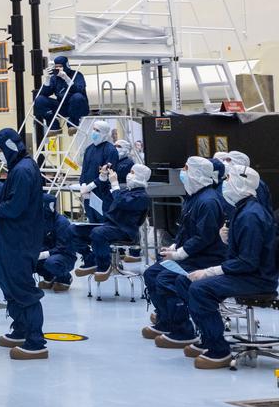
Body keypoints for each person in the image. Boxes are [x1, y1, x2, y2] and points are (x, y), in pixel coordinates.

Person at [175, 168, 279, 369]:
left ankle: (219, 351)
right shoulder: (243, 210)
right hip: (247, 273)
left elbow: (248, 261)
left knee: (199, 289)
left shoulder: (251, 215)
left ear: (241, 184)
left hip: (257, 278)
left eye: (228, 179)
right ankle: (208, 336)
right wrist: (227, 240)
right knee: (184, 280)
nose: (224, 183)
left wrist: (210, 271)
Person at [0, 127, 48, 360]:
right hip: (11, 237)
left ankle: (36, 341)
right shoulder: (18, 168)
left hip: (21, 239)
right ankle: (21, 328)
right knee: (9, 284)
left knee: (22, 288)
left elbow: (15, 208)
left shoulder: (24, 170)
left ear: (9, 147)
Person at [142, 157, 228, 348]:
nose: (183, 173)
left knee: (165, 280)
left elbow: (203, 237)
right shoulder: (193, 197)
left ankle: (183, 330)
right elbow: (185, 230)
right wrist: (174, 247)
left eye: (186, 169)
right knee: (151, 273)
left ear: (197, 173)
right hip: (192, 254)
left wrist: (180, 254)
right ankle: (166, 320)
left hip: (206, 257)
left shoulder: (209, 201)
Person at [71, 121, 119, 275]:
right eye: (93, 129)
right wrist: (83, 187)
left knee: (101, 230)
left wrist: (92, 186)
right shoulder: (89, 149)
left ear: (104, 132)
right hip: (89, 196)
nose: (94, 132)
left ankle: (104, 264)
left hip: (103, 196)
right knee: (89, 227)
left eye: (97, 130)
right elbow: (84, 171)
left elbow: (107, 174)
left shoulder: (110, 150)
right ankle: (91, 259)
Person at [91, 163, 151, 283]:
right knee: (75, 230)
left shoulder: (142, 197)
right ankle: (89, 261)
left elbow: (122, 203)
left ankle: (104, 266)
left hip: (125, 231)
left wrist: (115, 184)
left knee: (98, 233)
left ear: (140, 176)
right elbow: (109, 197)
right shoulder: (127, 191)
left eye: (132, 173)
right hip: (113, 226)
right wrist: (104, 177)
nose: (129, 175)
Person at [33, 56, 88, 131]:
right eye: (56, 67)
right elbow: (44, 94)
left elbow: (79, 90)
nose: (58, 68)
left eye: (61, 66)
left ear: (66, 65)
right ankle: (54, 125)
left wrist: (67, 79)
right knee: (40, 100)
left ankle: (72, 124)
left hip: (77, 106)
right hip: (62, 106)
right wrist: (47, 79)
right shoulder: (54, 78)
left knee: (77, 96)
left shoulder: (77, 75)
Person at [35, 193, 76, 293]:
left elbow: (63, 247)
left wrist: (45, 254)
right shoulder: (38, 221)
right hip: (47, 252)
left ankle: (65, 278)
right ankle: (49, 277)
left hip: (64, 255)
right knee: (29, 260)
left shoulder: (62, 222)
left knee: (52, 263)